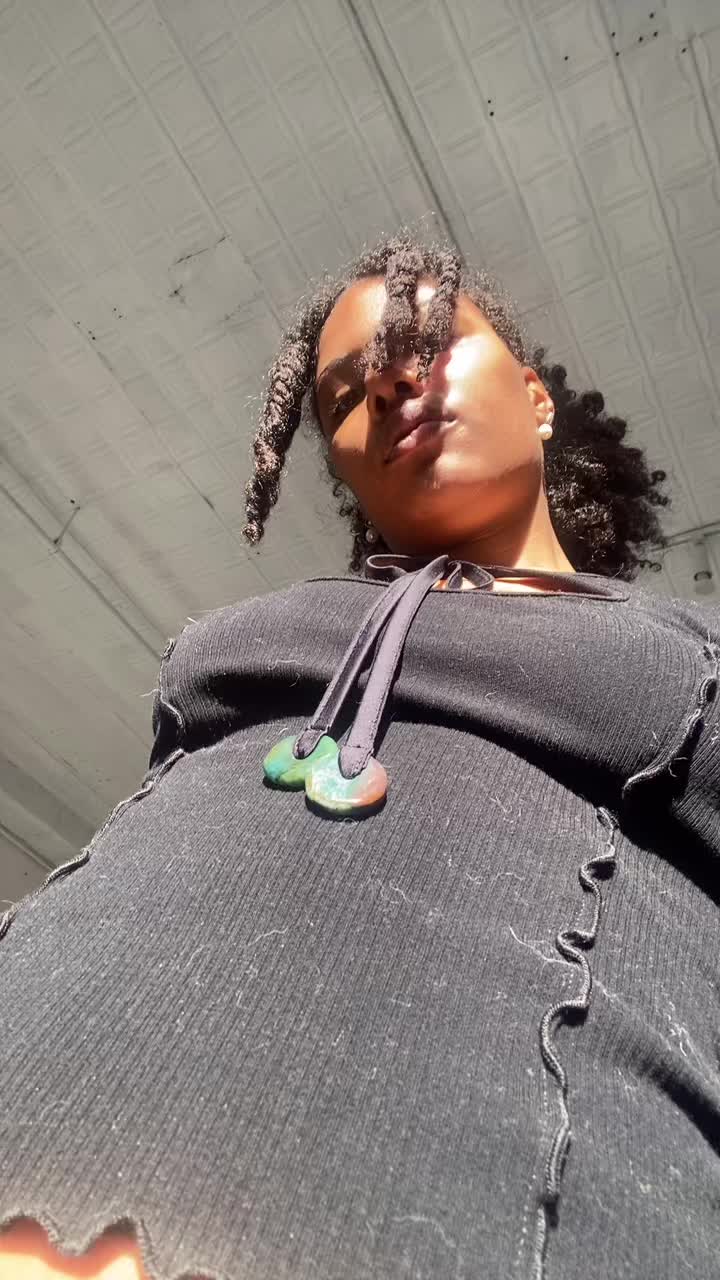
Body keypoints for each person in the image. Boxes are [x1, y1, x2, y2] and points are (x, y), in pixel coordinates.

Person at [1, 230, 718, 1280]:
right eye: (342, 393)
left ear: (535, 396)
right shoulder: (271, 624)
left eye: (428, 342)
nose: (386, 381)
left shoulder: (693, 649)